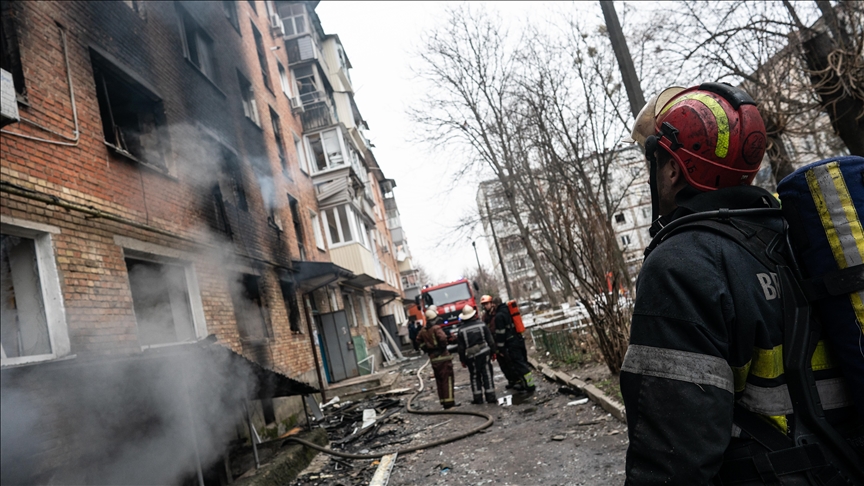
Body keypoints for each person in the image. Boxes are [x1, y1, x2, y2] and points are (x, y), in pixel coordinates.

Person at [620, 83, 860, 484]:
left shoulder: (682, 265)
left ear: (673, 170)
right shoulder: (796, 235)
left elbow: (673, 460)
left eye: (656, 162)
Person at [485, 296, 535, 393]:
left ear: (494, 304)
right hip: (519, 339)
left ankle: (530, 386)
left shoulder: (499, 316)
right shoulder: (508, 310)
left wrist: (500, 348)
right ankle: (526, 384)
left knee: (519, 364)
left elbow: (501, 333)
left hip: (511, 343)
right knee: (522, 362)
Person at [456, 305, 497, 404]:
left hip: (471, 356)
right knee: (487, 373)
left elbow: (461, 348)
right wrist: (494, 352)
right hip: (484, 353)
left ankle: (478, 398)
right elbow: (490, 340)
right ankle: (491, 396)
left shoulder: (461, 330)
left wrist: (462, 360)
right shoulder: (482, 325)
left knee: (474, 376)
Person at [416, 308, 457, 409]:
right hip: (443, 358)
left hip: (433, 359)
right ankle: (449, 403)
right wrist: (443, 346)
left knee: (439, 380)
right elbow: (442, 338)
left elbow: (418, 340)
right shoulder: (436, 328)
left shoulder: (423, 330)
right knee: (447, 379)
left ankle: (443, 401)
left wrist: (426, 348)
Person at [481, 295, 518, 389]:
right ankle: (511, 380)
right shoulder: (485, 317)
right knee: (502, 364)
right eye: (484, 304)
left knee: (509, 362)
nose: (485, 306)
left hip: (503, 341)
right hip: (494, 343)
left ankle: (517, 380)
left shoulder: (497, 314)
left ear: (491, 303)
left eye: (486, 304)